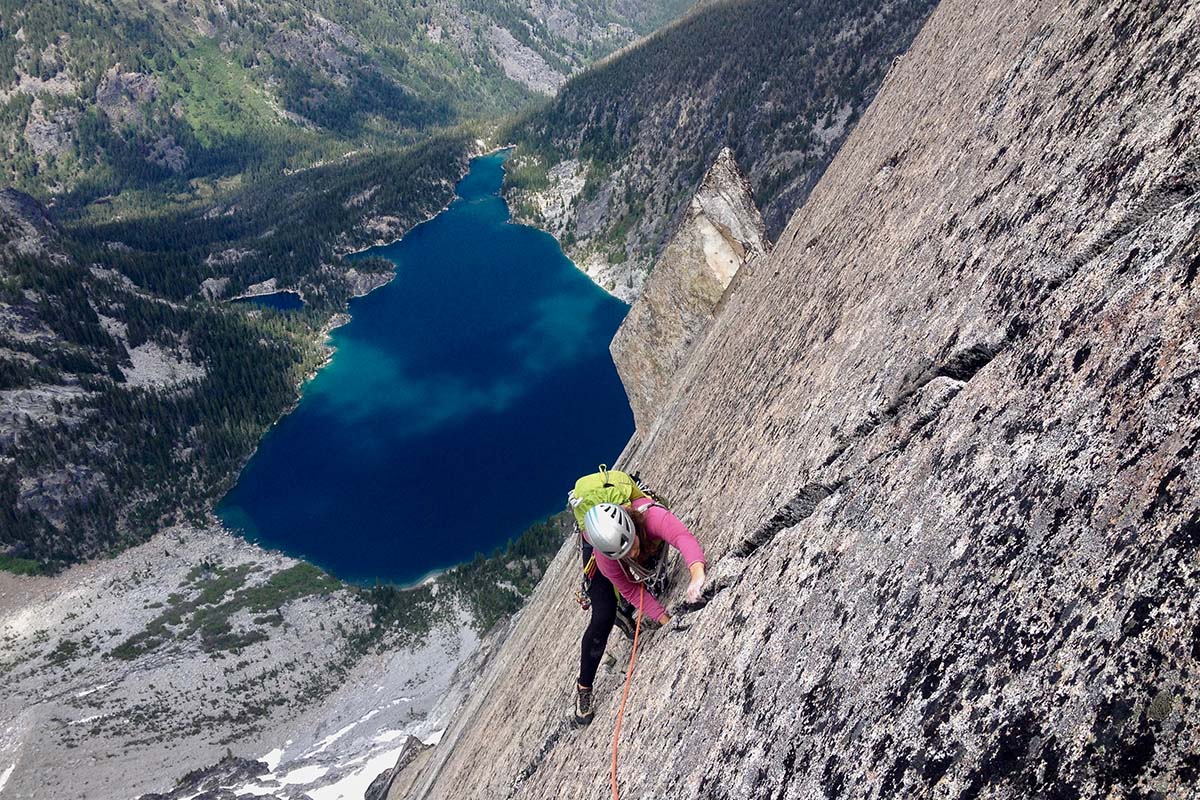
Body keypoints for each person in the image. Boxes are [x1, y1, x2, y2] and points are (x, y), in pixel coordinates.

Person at [574, 498, 707, 725]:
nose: (633, 554)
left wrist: (697, 574)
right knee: (603, 616)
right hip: (600, 551)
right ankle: (584, 687)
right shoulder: (606, 557)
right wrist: (665, 620)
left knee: (649, 562)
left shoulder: (651, 516)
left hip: (629, 536)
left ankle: (623, 610)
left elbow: (681, 537)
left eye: (632, 546)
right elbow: (632, 590)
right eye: (628, 552)